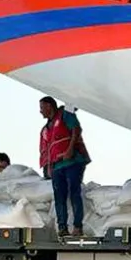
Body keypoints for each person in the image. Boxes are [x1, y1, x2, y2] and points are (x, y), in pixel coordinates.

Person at [38, 96, 90, 236]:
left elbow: (76, 129)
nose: (40, 111)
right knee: (59, 197)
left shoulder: (64, 115)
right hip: (56, 166)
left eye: (42, 107)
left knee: (74, 192)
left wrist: (70, 149)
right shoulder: (46, 129)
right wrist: (48, 167)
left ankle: (77, 227)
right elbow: (47, 149)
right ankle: (62, 228)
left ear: (49, 106)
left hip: (72, 162)